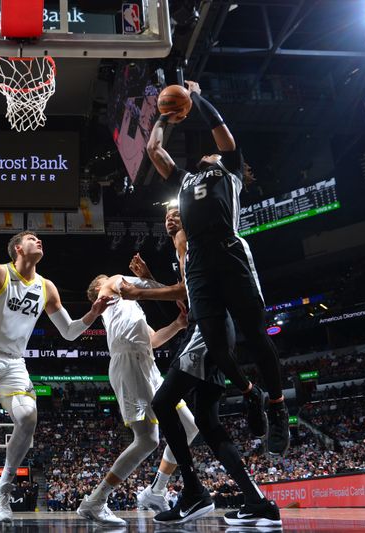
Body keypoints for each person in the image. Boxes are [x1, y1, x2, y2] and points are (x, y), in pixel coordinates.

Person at [0, 231, 113, 529]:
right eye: (31, 238)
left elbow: (70, 332)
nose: (38, 241)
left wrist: (92, 313)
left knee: (27, 417)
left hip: (14, 363)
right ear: (17, 248)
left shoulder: (46, 287)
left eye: (39, 239)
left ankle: (2, 488)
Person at [147, 80, 290, 458]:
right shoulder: (185, 181)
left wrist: (194, 97)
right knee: (214, 344)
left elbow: (221, 129)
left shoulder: (230, 173)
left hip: (230, 252)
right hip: (198, 262)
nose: (209, 153)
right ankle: (249, 393)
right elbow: (152, 149)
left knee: (255, 335)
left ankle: (277, 406)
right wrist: (164, 116)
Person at [120, 208, 281, 527]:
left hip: (205, 330)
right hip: (217, 327)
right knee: (207, 422)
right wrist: (150, 279)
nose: (170, 218)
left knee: (162, 403)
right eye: (166, 214)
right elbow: (186, 294)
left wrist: (139, 289)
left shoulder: (185, 239)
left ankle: (194, 492)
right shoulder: (188, 245)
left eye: (177, 212)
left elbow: (186, 293)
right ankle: (257, 501)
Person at [78, 272, 195, 525]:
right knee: (147, 440)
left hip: (147, 364)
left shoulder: (129, 306)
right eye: (105, 277)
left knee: (189, 426)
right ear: (100, 286)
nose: (112, 277)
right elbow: (142, 286)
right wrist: (172, 287)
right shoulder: (109, 287)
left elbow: (152, 341)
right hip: (128, 363)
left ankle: (156, 491)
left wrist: (178, 324)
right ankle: (95, 501)